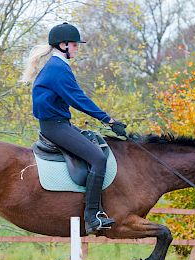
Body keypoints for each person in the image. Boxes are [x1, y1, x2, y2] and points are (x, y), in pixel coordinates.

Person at [21, 22, 128, 235]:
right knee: (98, 158)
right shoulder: (57, 68)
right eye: (75, 45)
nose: (77, 49)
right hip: (55, 127)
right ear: (63, 45)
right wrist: (109, 120)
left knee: (96, 146)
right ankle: (92, 216)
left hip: (60, 124)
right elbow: (78, 99)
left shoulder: (55, 66)